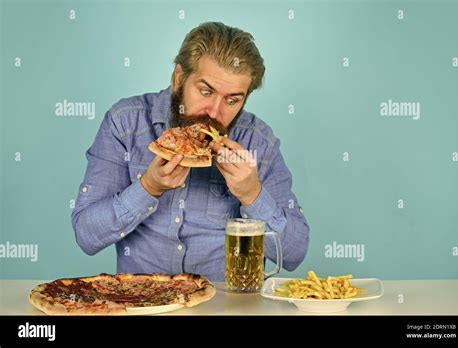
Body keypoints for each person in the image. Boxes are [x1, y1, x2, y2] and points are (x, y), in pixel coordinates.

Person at [71, 22, 309, 281]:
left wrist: (252, 194)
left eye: (232, 100)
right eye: (206, 91)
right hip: (143, 301)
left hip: (226, 306)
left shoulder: (258, 141)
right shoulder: (125, 123)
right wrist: (148, 187)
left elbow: (294, 255)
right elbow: (86, 236)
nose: (215, 112)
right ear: (179, 77)